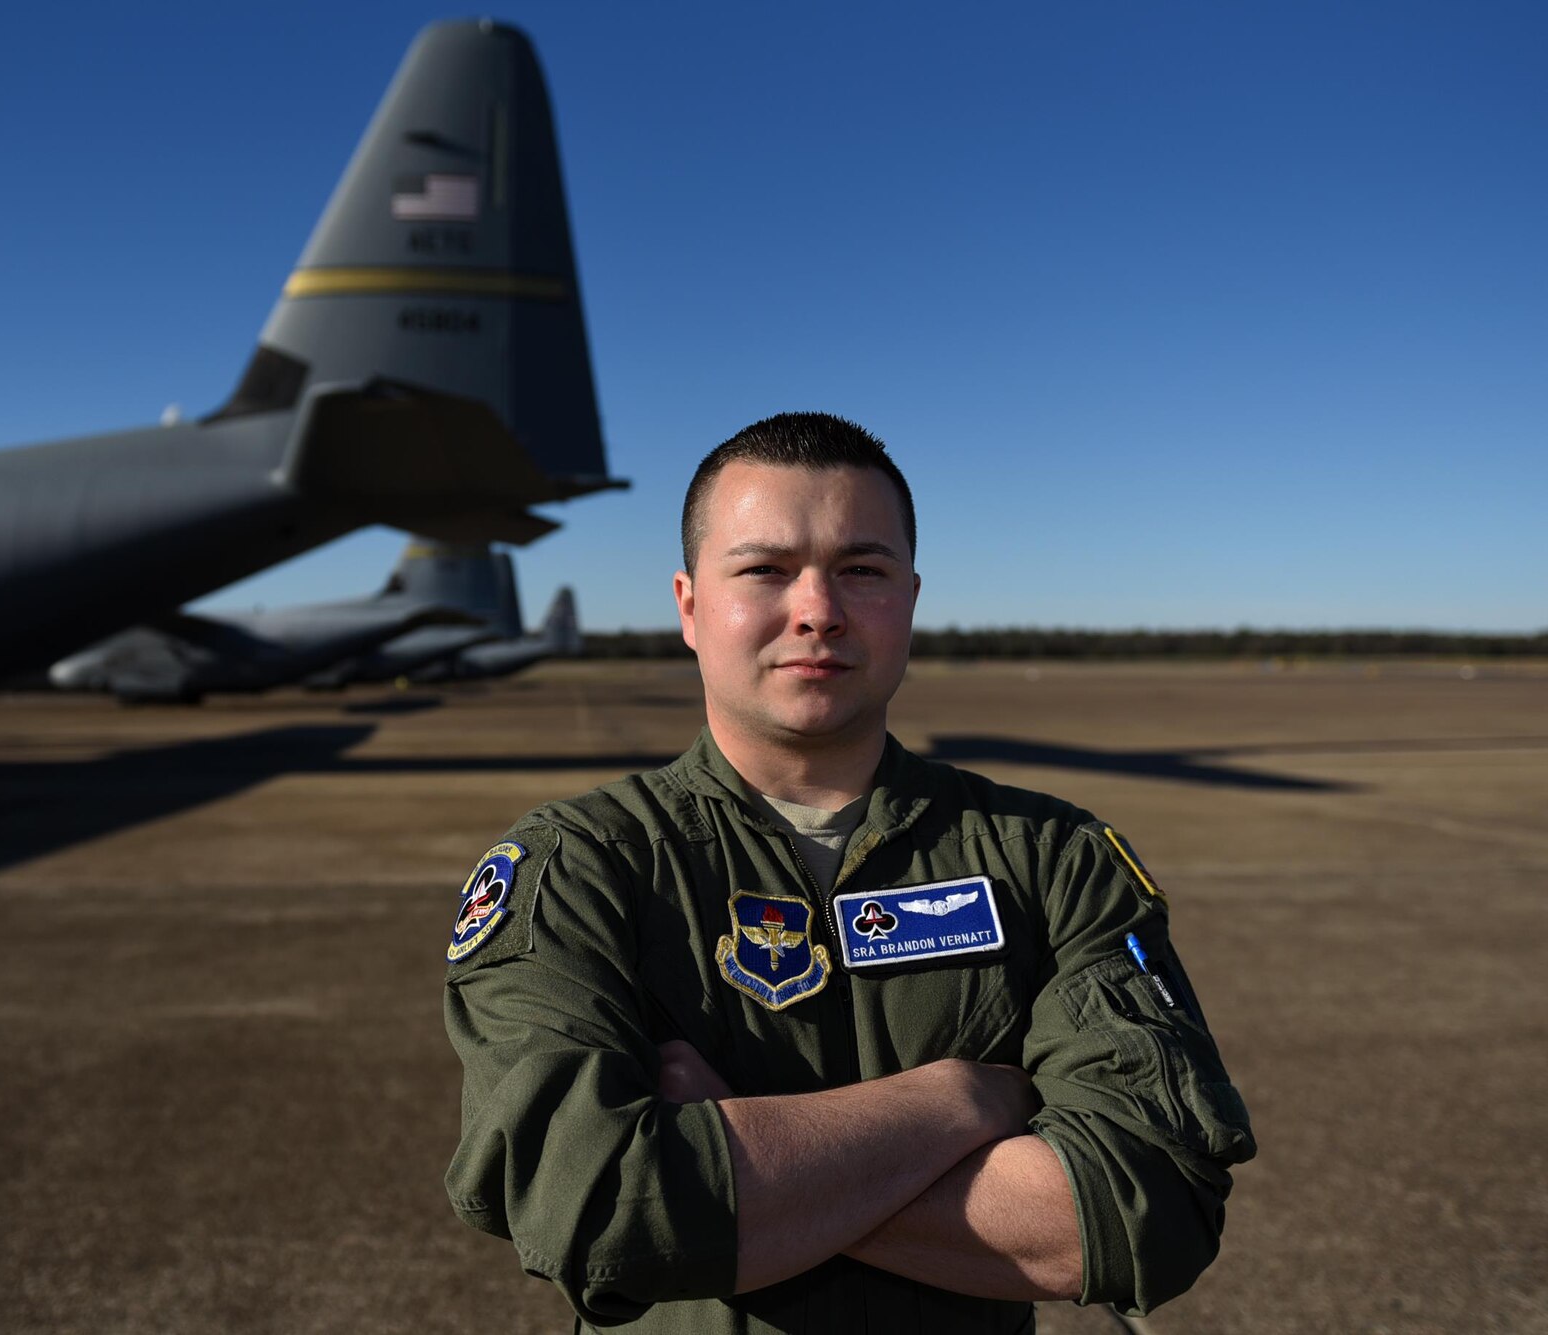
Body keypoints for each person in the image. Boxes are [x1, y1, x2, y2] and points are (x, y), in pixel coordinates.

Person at [442, 413, 1255, 1332]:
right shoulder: (579, 865)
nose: (818, 607)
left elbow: (1145, 1210)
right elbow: (592, 1208)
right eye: (764, 569)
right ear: (689, 605)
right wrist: (960, 1098)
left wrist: (739, 1154)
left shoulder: (1050, 858)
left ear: (908, 599)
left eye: (861, 569)